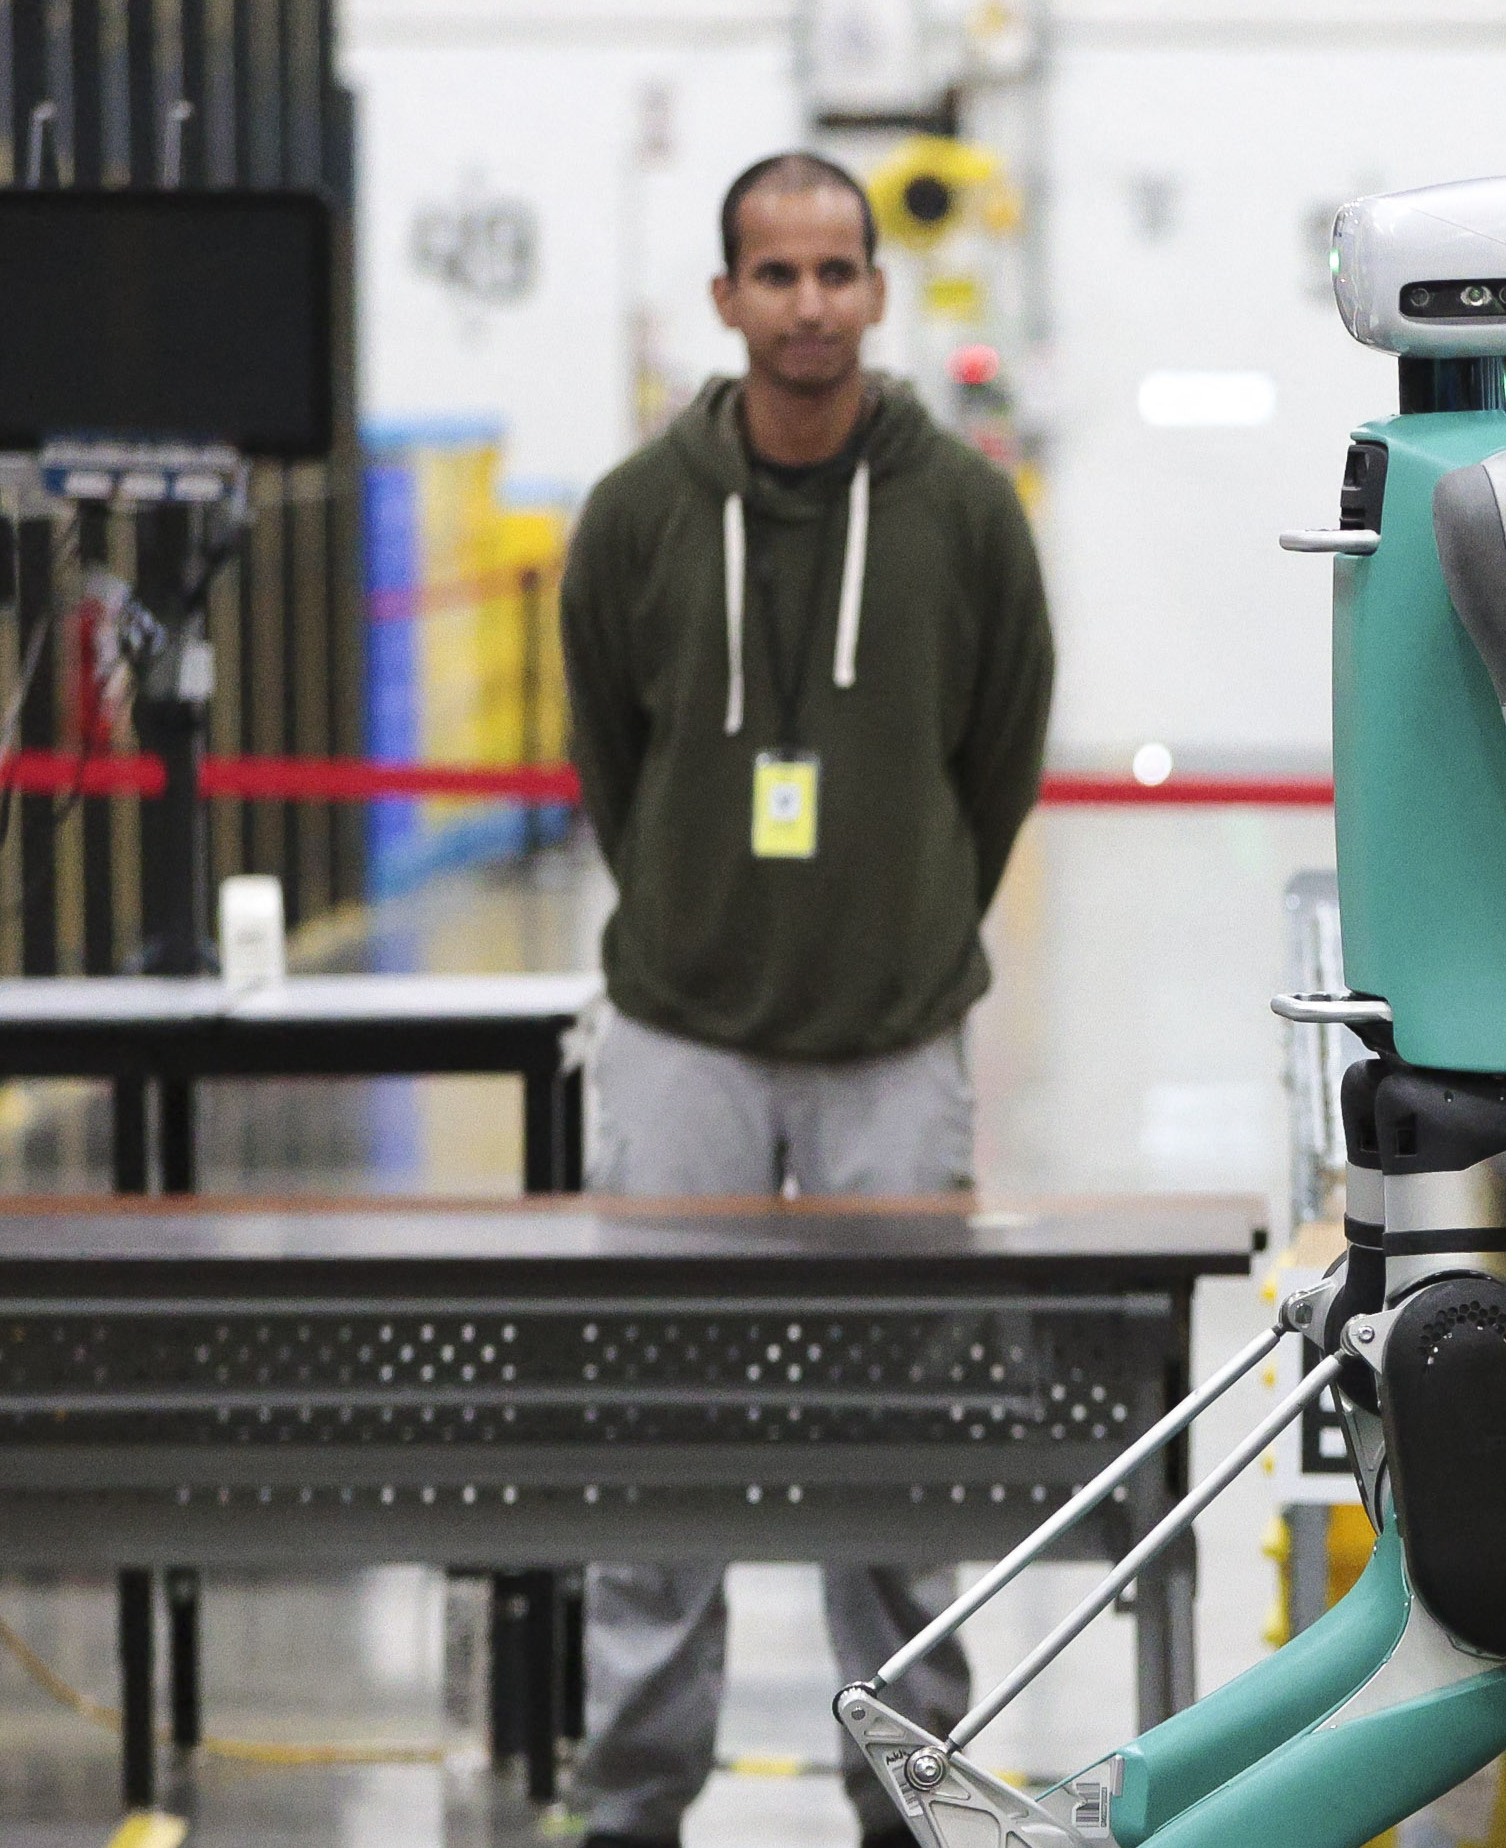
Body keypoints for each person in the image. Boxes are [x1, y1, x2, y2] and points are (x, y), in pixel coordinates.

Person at [554, 149, 1056, 1848]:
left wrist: (901, 920)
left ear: (877, 292)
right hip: (682, 1035)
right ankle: (630, 1795)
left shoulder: (965, 511)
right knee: (656, 1431)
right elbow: (607, 764)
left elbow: (998, 749)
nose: (811, 304)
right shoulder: (635, 512)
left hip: (894, 1047)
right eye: (776, 275)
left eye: (838, 271)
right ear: (726, 301)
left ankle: (906, 1792)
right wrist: (699, 909)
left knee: (899, 1442)